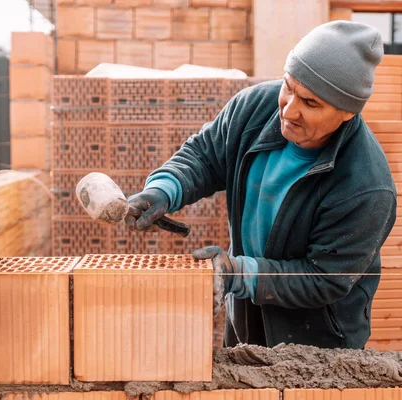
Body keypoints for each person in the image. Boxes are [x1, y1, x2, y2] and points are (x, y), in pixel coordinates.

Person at [124, 20, 397, 349]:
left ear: (346, 114)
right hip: (246, 314)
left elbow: (322, 277)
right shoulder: (254, 108)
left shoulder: (366, 187)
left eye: (311, 103)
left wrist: (238, 274)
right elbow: (205, 156)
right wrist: (164, 189)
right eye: (289, 87)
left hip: (318, 339)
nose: (289, 110)